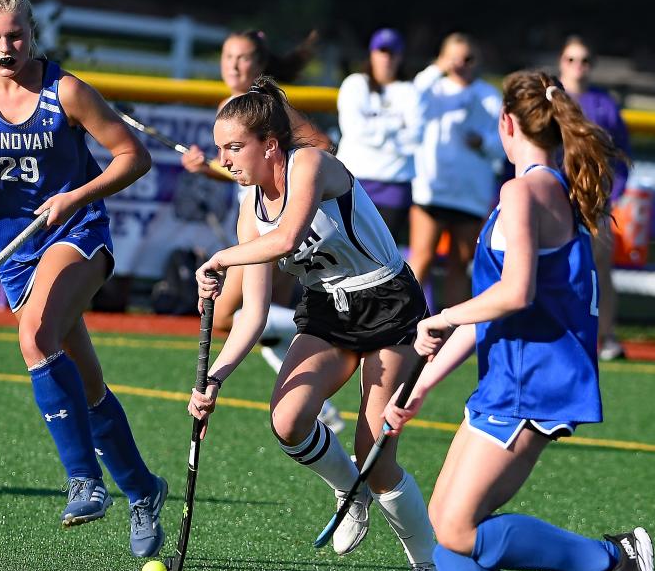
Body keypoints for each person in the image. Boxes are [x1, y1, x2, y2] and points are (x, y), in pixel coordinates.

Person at [384, 71, 655, 571]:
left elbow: (514, 293)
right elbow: (496, 304)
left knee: (458, 530)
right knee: (447, 530)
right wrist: (423, 386)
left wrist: (443, 314)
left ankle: (612, 561)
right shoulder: (547, 188)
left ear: (507, 124)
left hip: (531, 381)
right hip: (509, 377)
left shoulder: (524, 191)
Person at [0, 0, 168, 557]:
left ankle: (85, 482)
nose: (6, 47)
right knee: (89, 386)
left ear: (32, 32)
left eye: (16, 34)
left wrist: (78, 197)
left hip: (75, 237)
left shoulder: (66, 91)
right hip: (14, 255)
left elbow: (135, 157)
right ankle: (144, 490)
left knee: (34, 335)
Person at [187, 76, 446, 571]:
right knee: (287, 420)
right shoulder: (248, 205)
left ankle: (428, 566)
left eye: (234, 147)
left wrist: (220, 260)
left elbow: (285, 238)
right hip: (329, 308)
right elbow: (254, 313)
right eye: (220, 149)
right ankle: (345, 492)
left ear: (269, 144)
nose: (226, 160)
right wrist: (215, 378)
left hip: (388, 304)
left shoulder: (311, 165)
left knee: (375, 453)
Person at [181, 30, 344, 433]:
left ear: (260, 64)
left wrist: (286, 200)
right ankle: (316, 388)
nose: (234, 66)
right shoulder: (228, 109)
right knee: (246, 316)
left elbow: (321, 147)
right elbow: (242, 173)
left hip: (281, 224)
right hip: (252, 222)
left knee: (227, 316)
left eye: (244, 58)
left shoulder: (264, 108)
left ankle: (337, 339)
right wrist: (209, 169)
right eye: (227, 57)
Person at [409, 33, 505, 312]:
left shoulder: (489, 96)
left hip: (470, 194)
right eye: (454, 57)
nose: (461, 64)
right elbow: (412, 100)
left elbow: (503, 143)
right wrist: (437, 68)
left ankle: (450, 331)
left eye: (468, 58)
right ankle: (402, 327)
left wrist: (484, 143)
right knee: (422, 259)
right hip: (432, 189)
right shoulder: (432, 88)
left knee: (459, 265)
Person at [559, 35, 633, 361]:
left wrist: (614, 194)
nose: (578, 67)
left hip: (593, 200)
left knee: (599, 266)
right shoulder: (549, 100)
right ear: (562, 62)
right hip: (553, 196)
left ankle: (605, 336)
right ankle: (558, 332)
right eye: (572, 59)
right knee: (552, 266)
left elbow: (622, 155)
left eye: (585, 60)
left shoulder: (604, 105)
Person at [336, 28, 420, 242]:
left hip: (394, 184)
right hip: (354, 179)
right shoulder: (355, 84)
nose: (387, 58)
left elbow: (415, 138)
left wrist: (373, 131)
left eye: (392, 53)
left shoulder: (411, 91)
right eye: (382, 51)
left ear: (400, 56)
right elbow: (353, 129)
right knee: (348, 248)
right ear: (372, 54)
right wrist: (395, 127)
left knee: (383, 252)